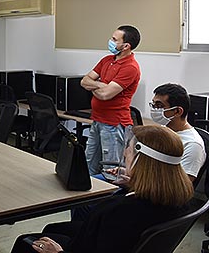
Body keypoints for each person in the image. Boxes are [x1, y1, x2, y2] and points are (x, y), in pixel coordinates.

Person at [12, 125, 194, 253]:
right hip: (122, 241)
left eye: (129, 149)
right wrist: (132, 184)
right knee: (52, 227)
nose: (125, 153)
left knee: (24, 242)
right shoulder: (180, 199)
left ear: (142, 161)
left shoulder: (120, 211)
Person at [80, 25, 141, 175]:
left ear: (126, 46)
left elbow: (105, 95)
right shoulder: (106, 60)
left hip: (114, 124)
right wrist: (100, 85)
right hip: (97, 120)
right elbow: (84, 81)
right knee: (88, 165)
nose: (110, 41)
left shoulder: (130, 67)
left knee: (111, 171)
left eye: (114, 39)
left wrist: (94, 85)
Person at [149, 83, 206, 182]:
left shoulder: (192, 145)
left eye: (159, 105)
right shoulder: (164, 130)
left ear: (177, 111)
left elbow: (180, 187)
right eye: (153, 105)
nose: (154, 109)